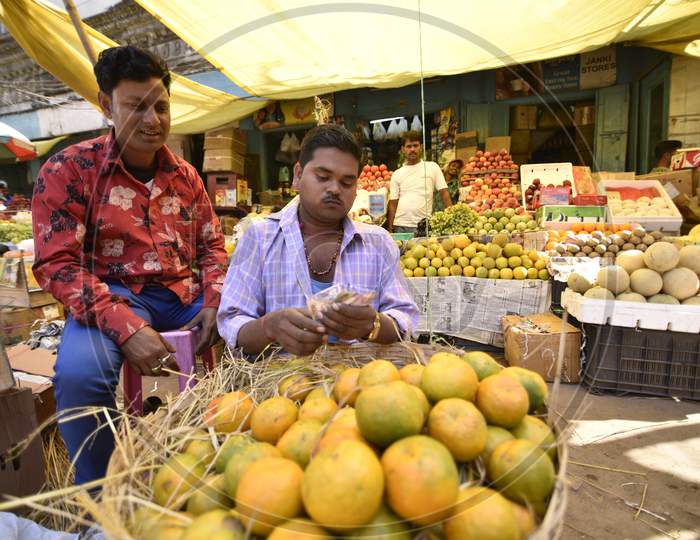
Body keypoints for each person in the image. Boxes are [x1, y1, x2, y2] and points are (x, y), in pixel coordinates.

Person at [31, 46, 227, 485]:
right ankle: (102, 497)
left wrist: (215, 300)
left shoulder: (187, 177)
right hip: (111, 299)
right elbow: (56, 264)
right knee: (82, 377)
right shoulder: (69, 169)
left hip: (184, 298)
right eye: (136, 106)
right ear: (106, 104)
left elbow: (212, 247)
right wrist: (128, 327)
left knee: (254, 332)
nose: (153, 120)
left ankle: (226, 465)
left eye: (161, 106)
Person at [217, 124, 418, 356]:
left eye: (347, 182)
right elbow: (233, 324)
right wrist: (268, 327)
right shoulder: (259, 238)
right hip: (281, 386)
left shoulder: (378, 243)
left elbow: (405, 321)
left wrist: (372, 325)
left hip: (361, 385)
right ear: (298, 175)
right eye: (323, 177)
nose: (334, 189)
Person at [386, 131, 452, 234]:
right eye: (409, 146)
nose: (412, 149)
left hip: (423, 225)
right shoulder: (397, 174)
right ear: (403, 149)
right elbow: (393, 204)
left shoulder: (432, 167)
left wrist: (451, 216)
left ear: (421, 147)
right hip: (400, 225)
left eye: (415, 146)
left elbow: (444, 193)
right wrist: (390, 229)